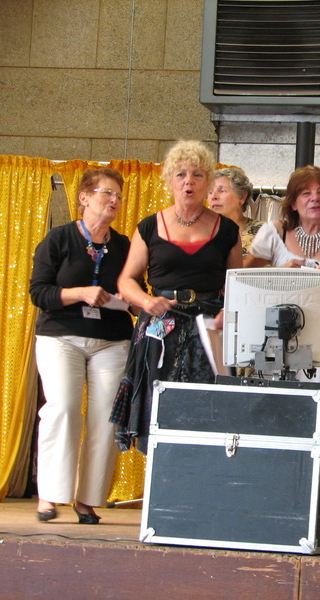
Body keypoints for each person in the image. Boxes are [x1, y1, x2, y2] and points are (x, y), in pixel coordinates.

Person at [112, 140, 242, 452]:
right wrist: (146, 301)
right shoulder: (148, 227)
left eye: (197, 175)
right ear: (169, 180)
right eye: (181, 174)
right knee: (157, 410)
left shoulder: (227, 230)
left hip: (208, 331)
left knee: (208, 411)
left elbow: (237, 284)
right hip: (160, 326)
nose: (188, 182)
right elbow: (126, 281)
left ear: (208, 183)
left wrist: (229, 311)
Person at [29, 168, 133, 524]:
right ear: (84, 198)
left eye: (118, 195)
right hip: (61, 336)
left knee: (106, 417)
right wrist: (80, 293)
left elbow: (136, 287)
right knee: (64, 408)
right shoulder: (58, 239)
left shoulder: (123, 246)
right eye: (107, 193)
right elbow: (39, 292)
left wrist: (132, 300)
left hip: (111, 340)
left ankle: (88, 499)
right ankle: (50, 495)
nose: (114, 200)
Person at [249, 165, 320, 268]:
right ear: (293, 204)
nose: (315, 198)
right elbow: (245, 275)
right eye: (306, 193)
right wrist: (281, 271)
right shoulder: (275, 232)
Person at [208, 167, 263, 268]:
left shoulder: (263, 231)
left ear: (242, 196)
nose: (213, 197)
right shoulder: (201, 231)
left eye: (222, 191)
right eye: (210, 192)